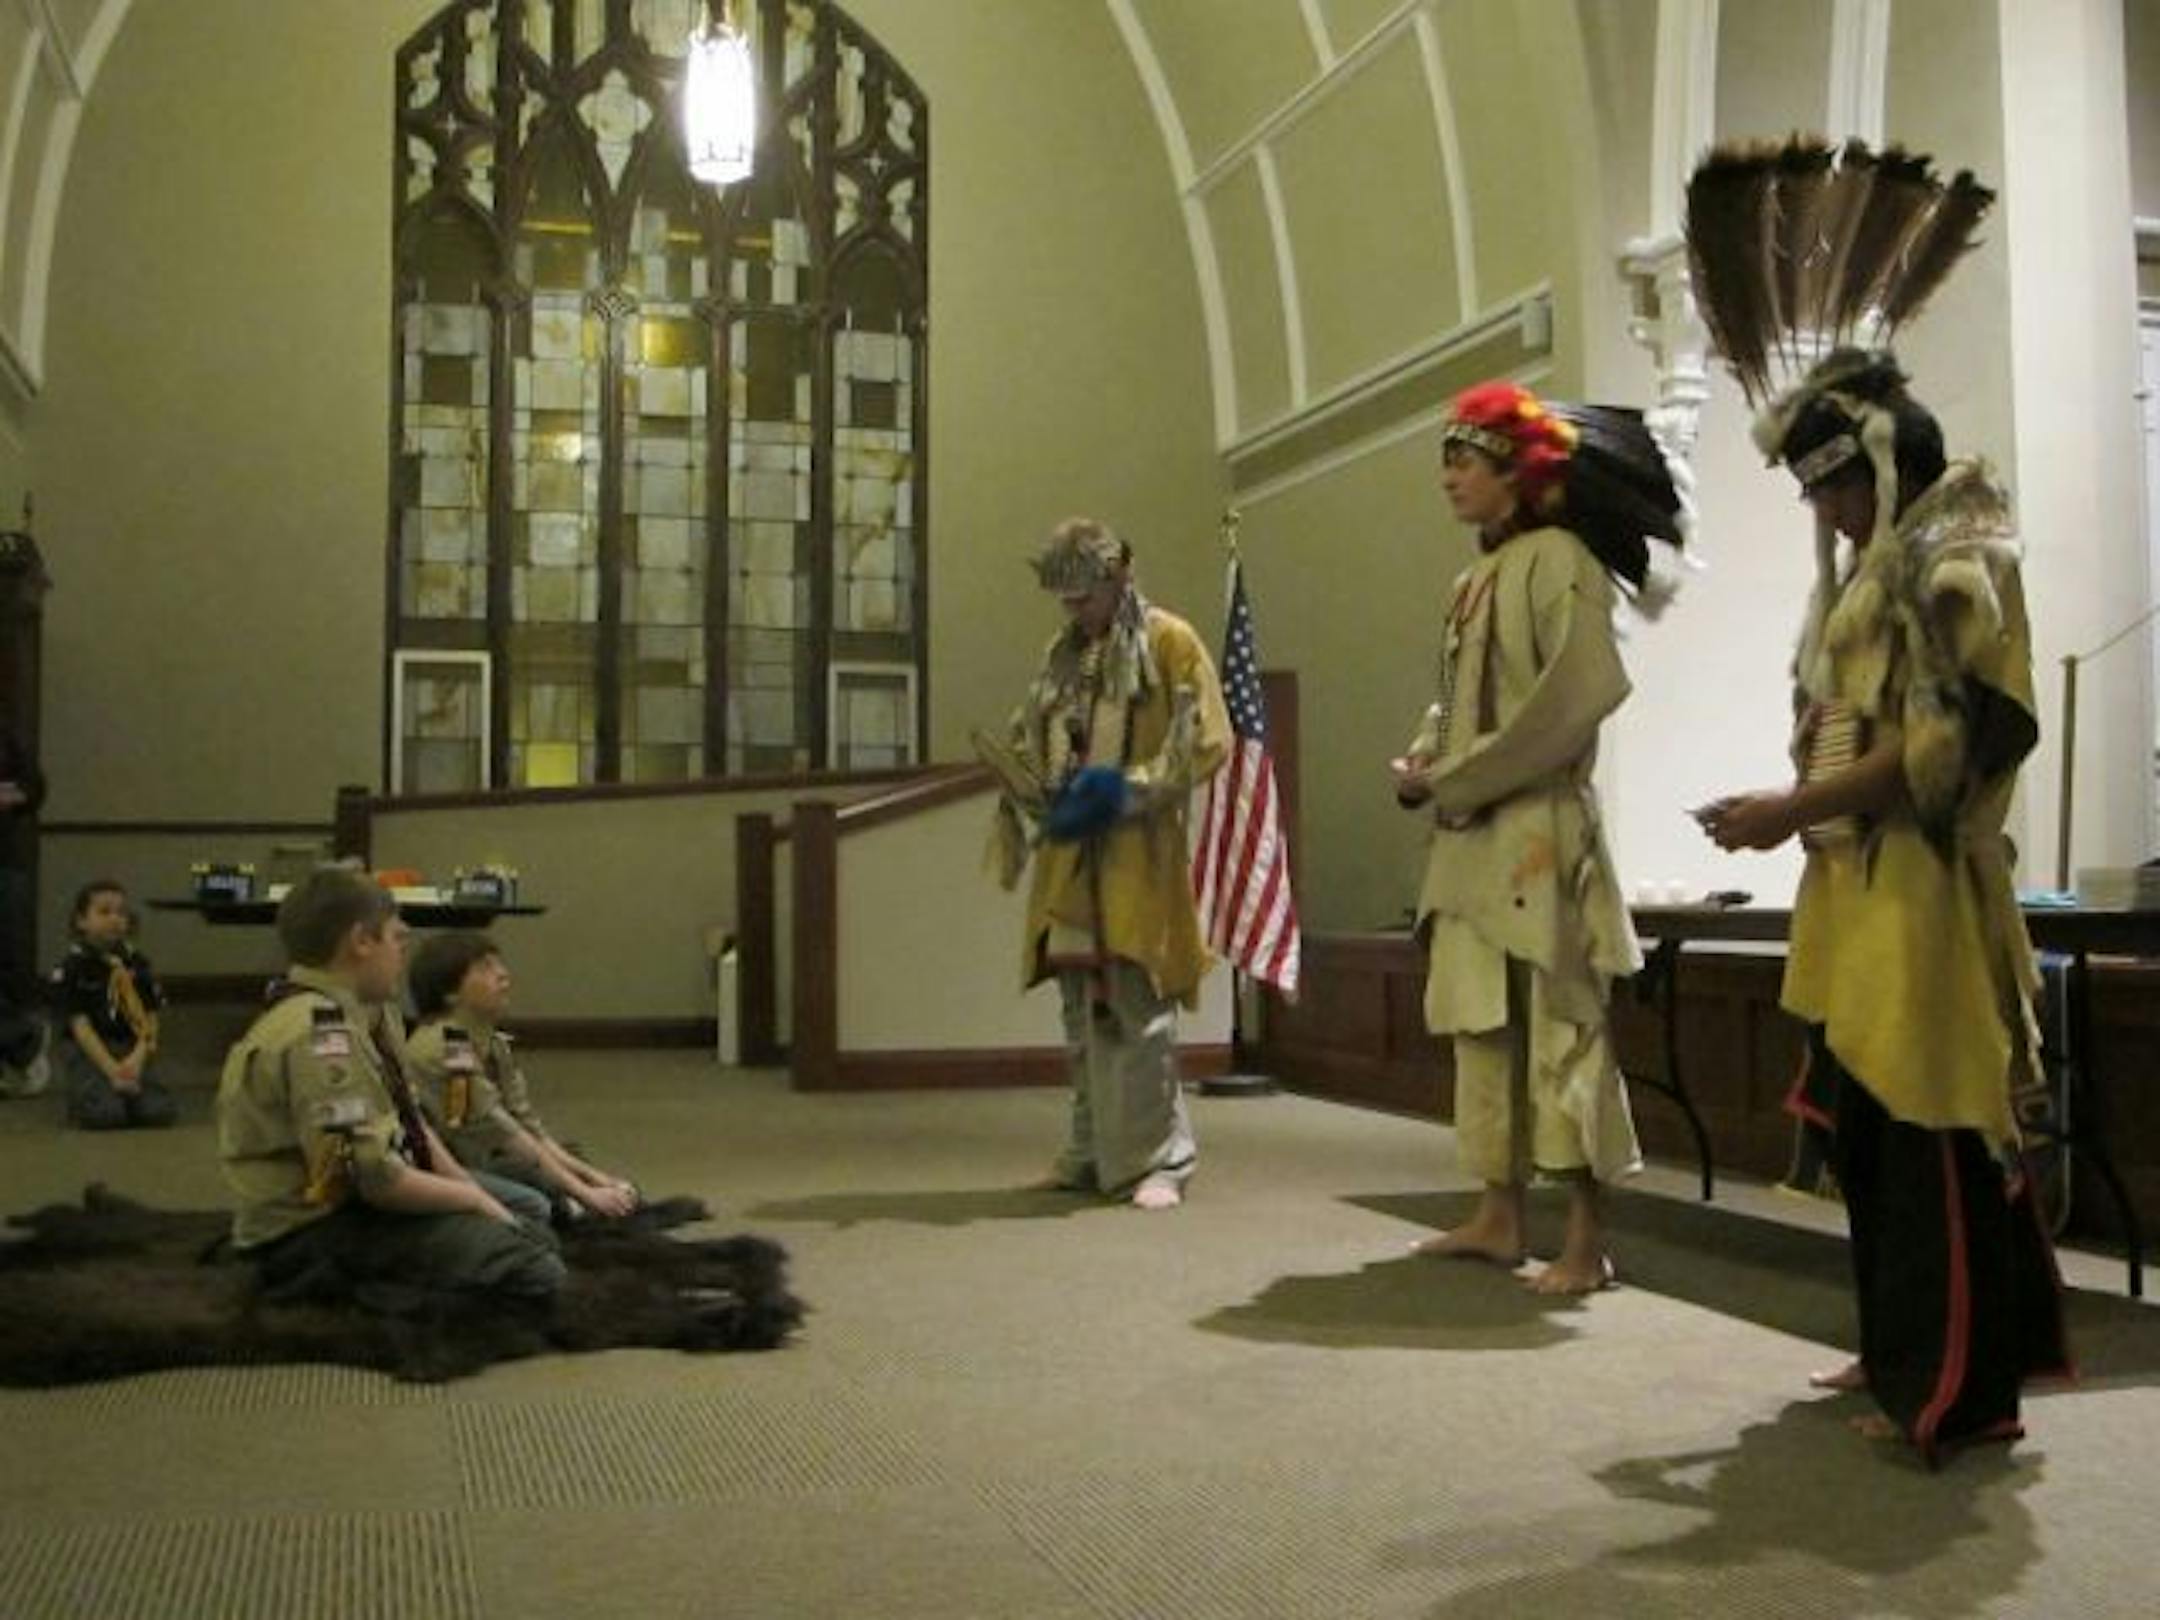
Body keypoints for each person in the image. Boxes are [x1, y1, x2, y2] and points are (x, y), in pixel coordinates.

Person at [1695, 348, 2069, 1462]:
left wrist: (1793, 801)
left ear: (1882, 467)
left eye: (1832, 484)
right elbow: (1857, 725)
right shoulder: (1871, 576)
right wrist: (1804, 784)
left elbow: (1940, 751)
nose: (1822, 509)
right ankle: (1902, 1344)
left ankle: (1958, 1387)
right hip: (1853, 894)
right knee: (1870, 1140)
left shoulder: (1957, 565)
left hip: (1921, 897)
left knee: (1931, 1136)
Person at [1395, 381, 1684, 1294]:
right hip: (1473, 837)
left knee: (1564, 1026)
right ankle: (1497, 1211)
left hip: (1540, 831)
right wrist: (1423, 761)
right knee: (1480, 1024)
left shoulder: (1563, 560)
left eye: (1465, 460)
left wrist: (1460, 777)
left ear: (1517, 474)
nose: (1448, 477)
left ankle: (1585, 1240)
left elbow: (1576, 693)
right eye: (1446, 459)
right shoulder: (1470, 582)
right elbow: (1460, 700)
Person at [978, 518, 1230, 1209]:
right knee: (1076, 1004)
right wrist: (1030, 779)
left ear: (1119, 578)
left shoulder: (1169, 642)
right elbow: (1038, 729)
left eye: (1083, 596)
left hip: (1134, 849)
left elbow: (1209, 740)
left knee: (1134, 1002)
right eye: (1064, 600)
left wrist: (1127, 787)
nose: (1073, 611)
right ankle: (1089, 1150)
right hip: (1070, 856)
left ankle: (1163, 1160)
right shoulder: (1062, 653)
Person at [215, 867, 565, 1303]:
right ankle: (359, 1298)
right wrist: (473, 1202)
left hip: (367, 1194)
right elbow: (373, 1179)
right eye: (397, 939)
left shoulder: (368, 1015)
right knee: (536, 1269)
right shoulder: (323, 1037)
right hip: (309, 1230)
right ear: (362, 942)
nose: (403, 954)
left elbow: (409, 1121)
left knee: (529, 1218)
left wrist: (471, 1193)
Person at [403, 931, 638, 1222]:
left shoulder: (493, 1042)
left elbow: (527, 1124)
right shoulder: (444, 1049)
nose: (502, 975)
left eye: (499, 965)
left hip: (484, 1155)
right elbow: (507, 1134)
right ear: (450, 992)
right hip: (445, 1165)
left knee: (553, 1167)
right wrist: (586, 1194)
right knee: (534, 1205)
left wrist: (596, 1178)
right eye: (485, 968)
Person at [49, 879, 178, 1129]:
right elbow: (80, 1026)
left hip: (131, 1046)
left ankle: (127, 1093)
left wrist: (136, 1061)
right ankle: (93, 1095)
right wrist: (111, 1069)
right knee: (106, 1116)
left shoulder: (137, 964)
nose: (115, 919)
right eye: (104, 911)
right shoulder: (72, 968)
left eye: (121, 913)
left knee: (159, 1113)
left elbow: (150, 1016)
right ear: (81, 921)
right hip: (91, 1051)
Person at [0, 724, 48, 1097]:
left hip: (4, 859)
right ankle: (20, 1040)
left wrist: (13, 795)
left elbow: (34, 788)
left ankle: (22, 1043)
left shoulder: (5, 734)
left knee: (8, 961)